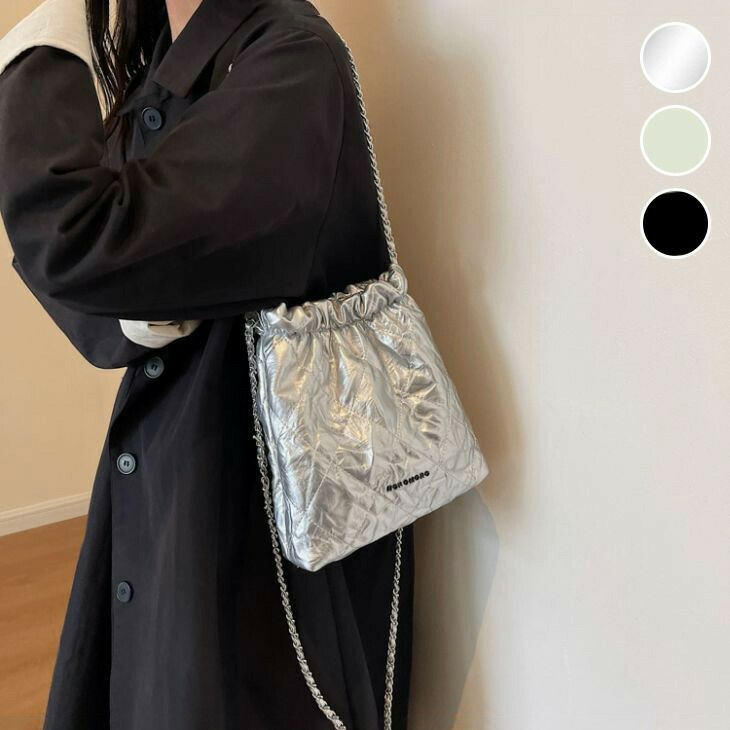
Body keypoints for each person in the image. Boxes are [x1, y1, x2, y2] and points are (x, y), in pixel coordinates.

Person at [0, 0, 415, 728]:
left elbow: (79, 239)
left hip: (255, 514)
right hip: (176, 469)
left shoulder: (290, 59)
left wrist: (43, 44)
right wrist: (139, 308)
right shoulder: (168, 64)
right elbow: (92, 284)